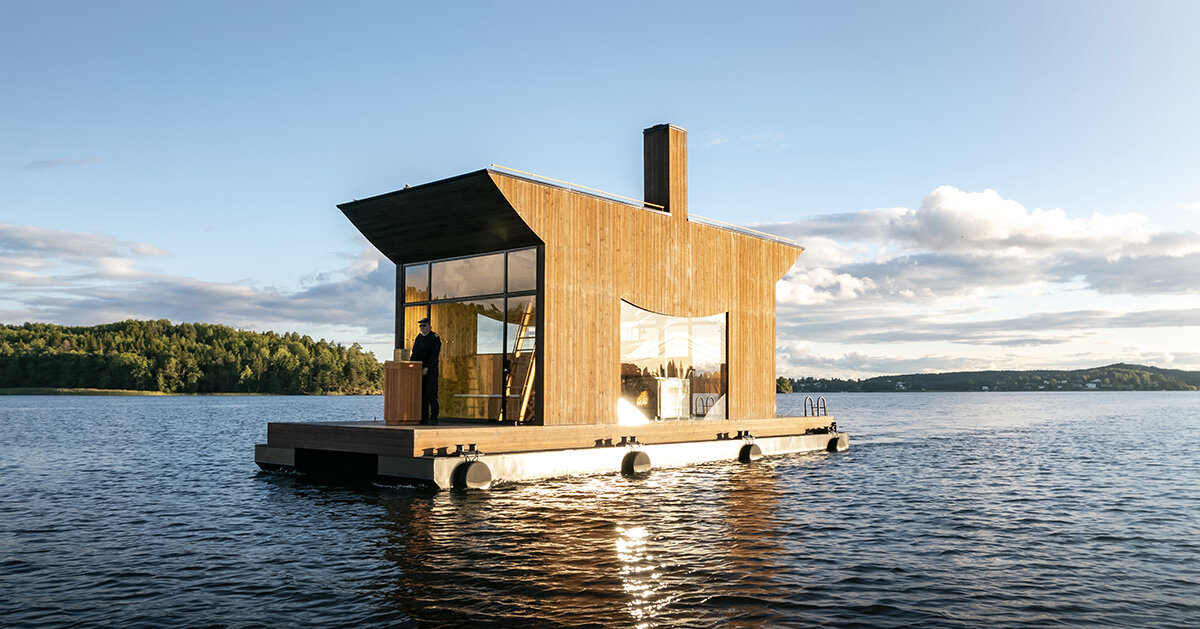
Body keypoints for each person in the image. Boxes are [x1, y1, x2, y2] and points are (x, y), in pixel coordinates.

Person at [410, 317, 441, 424]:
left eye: (424, 326)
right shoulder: (419, 338)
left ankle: (433, 417)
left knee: (431, 394)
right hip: (419, 370)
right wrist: (411, 364)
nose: (422, 328)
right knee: (421, 395)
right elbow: (414, 353)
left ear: (429, 326)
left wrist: (427, 368)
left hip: (430, 371)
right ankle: (423, 417)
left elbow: (434, 355)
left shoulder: (434, 338)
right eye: (420, 326)